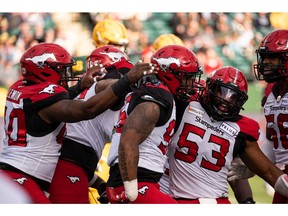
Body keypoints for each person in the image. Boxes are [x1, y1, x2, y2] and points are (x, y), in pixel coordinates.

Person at [0, 42, 157, 203]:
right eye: (61, 69)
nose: (65, 74)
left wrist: (80, 86)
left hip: (16, 172)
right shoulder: (47, 98)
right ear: (44, 70)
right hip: (23, 174)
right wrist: (127, 80)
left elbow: (57, 102)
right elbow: (86, 110)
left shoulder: (20, 88)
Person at [168, 66, 288, 204]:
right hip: (179, 195)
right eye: (222, 92)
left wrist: (248, 202)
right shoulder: (183, 106)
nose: (226, 100)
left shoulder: (242, 129)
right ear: (210, 88)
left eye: (234, 97)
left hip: (216, 200)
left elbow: (268, 172)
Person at [106, 45, 203, 203]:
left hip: (138, 178)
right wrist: (130, 189)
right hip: (136, 177)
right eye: (188, 77)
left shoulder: (155, 91)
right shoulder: (159, 97)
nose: (192, 83)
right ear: (171, 74)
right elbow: (128, 140)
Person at [48, 45, 134, 204]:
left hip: (73, 165)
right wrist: (129, 81)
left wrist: (98, 182)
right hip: (67, 166)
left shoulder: (84, 92)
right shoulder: (101, 87)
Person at [253, 29, 288, 203]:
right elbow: (272, 138)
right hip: (283, 175)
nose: (265, 63)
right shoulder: (270, 90)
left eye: (272, 57)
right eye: (264, 57)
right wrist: (253, 163)